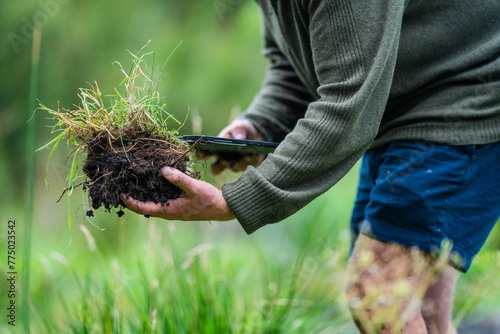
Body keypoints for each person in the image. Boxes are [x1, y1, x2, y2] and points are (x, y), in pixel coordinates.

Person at [122, 1, 500, 332]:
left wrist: (233, 202)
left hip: (466, 102)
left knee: (380, 297)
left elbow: (348, 102)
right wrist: (259, 123)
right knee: (420, 311)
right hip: (400, 114)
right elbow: (298, 64)